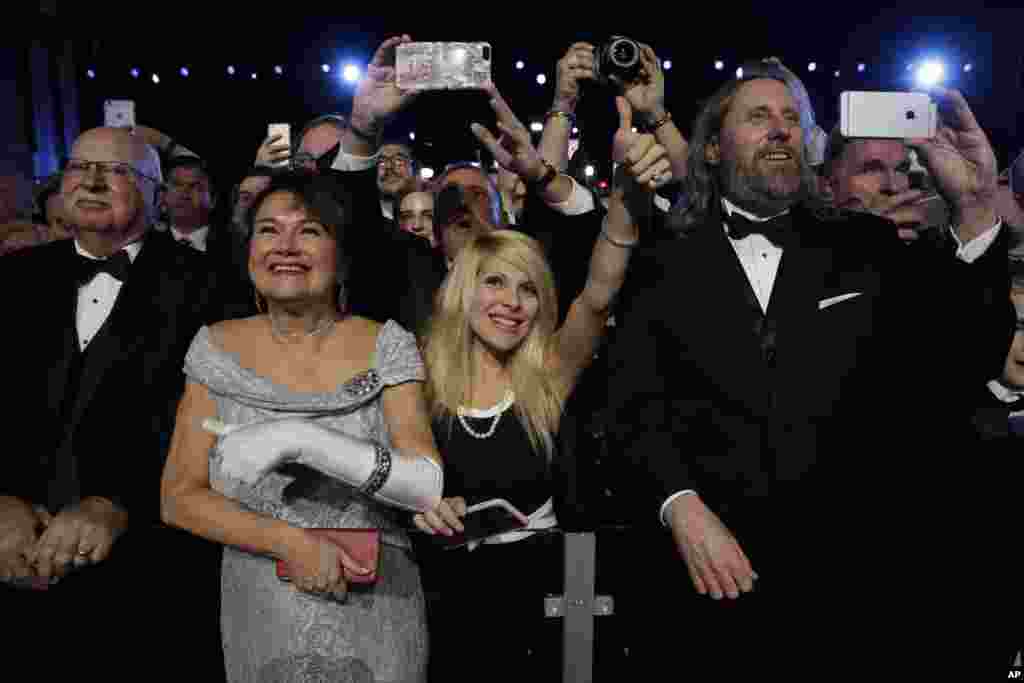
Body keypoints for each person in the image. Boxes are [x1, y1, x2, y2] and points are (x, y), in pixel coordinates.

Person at [606, 64, 1011, 675]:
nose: (780, 130)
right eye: (759, 116)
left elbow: (967, 352)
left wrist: (977, 207)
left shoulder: (866, 246)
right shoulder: (664, 261)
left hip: (850, 601)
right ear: (712, 147)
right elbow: (631, 405)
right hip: (708, 593)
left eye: (791, 118)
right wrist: (679, 502)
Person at [411, 89, 671, 679]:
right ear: (464, 290)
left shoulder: (549, 370)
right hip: (449, 598)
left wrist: (626, 198)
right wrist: (422, 510)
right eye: (496, 284)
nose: (512, 303)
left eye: (528, 289)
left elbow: (600, 292)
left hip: (559, 592)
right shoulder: (419, 376)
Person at [160, 170, 443, 682]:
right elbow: (179, 495)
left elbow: (425, 485)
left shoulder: (387, 344)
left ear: (341, 255)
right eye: (268, 230)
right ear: (248, 253)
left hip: (378, 602)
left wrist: (301, 440)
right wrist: (288, 541)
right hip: (263, 606)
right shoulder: (214, 348)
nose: (285, 246)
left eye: (309, 231)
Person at [0, 127, 229, 681]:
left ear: (156, 196)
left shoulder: (213, 286)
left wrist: (119, 503)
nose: (93, 182)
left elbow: (216, 423)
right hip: (11, 570)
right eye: (80, 168)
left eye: (117, 171)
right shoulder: (11, 278)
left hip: (151, 579)